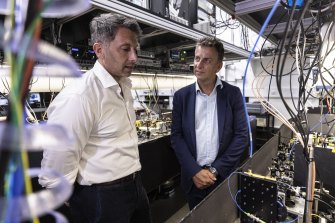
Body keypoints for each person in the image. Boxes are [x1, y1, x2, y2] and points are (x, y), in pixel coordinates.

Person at [39, 13, 152, 223]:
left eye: (135, 49)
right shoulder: (80, 96)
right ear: (99, 50)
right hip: (103, 197)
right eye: (125, 49)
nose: (134, 57)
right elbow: (58, 160)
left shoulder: (123, 85)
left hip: (135, 186)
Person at [171, 37, 249, 210]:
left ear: (218, 66)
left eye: (207, 60)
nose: (199, 65)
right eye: (197, 58)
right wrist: (195, 171)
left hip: (223, 177)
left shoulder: (232, 94)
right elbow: (177, 137)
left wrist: (215, 170)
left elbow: (242, 136)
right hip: (194, 180)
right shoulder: (181, 97)